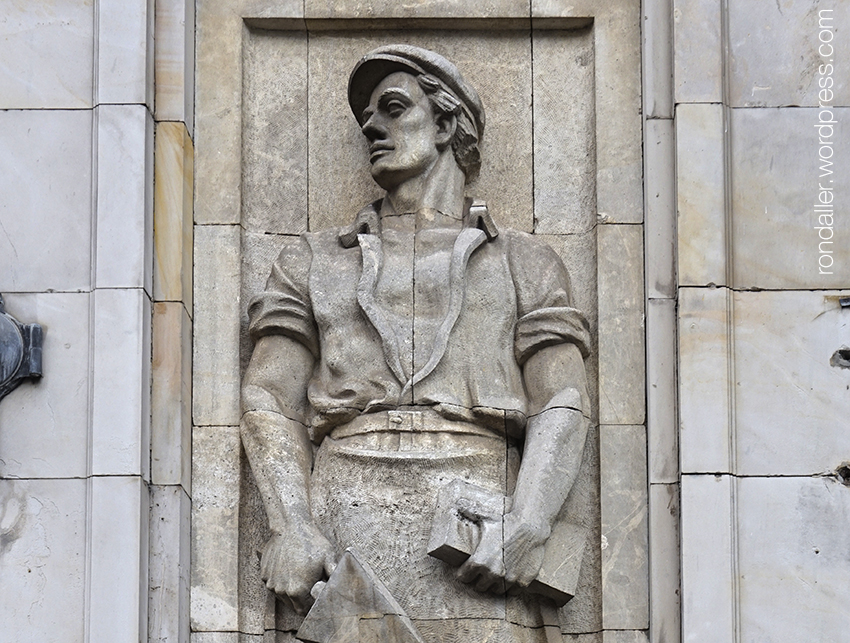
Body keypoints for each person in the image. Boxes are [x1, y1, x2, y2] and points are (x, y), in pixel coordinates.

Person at [241, 44, 591, 642]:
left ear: (447, 122)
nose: (372, 127)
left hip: (475, 530)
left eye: (393, 108)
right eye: (366, 120)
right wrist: (292, 525)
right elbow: (268, 396)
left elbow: (561, 396)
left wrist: (530, 522)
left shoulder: (524, 261)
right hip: (346, 524)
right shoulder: (311, 261)